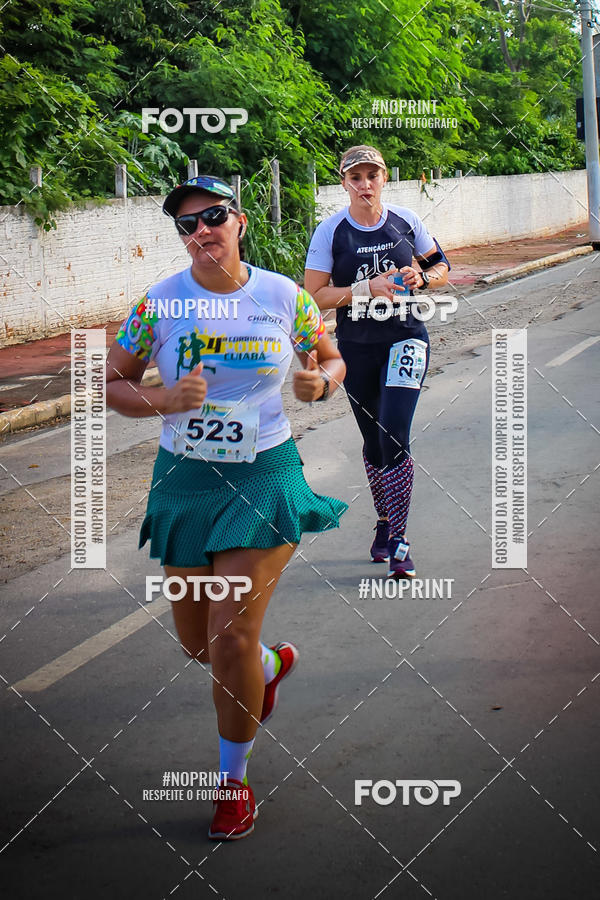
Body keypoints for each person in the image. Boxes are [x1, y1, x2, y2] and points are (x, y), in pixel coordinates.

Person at [106, 175, 347, 840]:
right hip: (185, 481)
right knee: (199, 646)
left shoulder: (284, 297)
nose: (201, 231)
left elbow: (330, 360)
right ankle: (266, 668)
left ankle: (232, 784)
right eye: (187, 224)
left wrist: (318, 383)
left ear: (238, 221)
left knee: (229, 634)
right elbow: (113, 384)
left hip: (263, 475)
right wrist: (163, 400)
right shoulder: (157, 303)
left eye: (212, 216)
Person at [304, 146, 450, 578]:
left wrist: (423, 277)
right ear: (344, 182)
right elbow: (314, 295)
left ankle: (401, 541)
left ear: (384, 178)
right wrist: (366, 288)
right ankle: (385, 521)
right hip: (357, 346)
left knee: (394, 433)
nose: (365, 184)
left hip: (406, 339)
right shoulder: (331, 231)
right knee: (372, 440)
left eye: (373, 175)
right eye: (356, 177)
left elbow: (441, 266)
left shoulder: (406, 221)